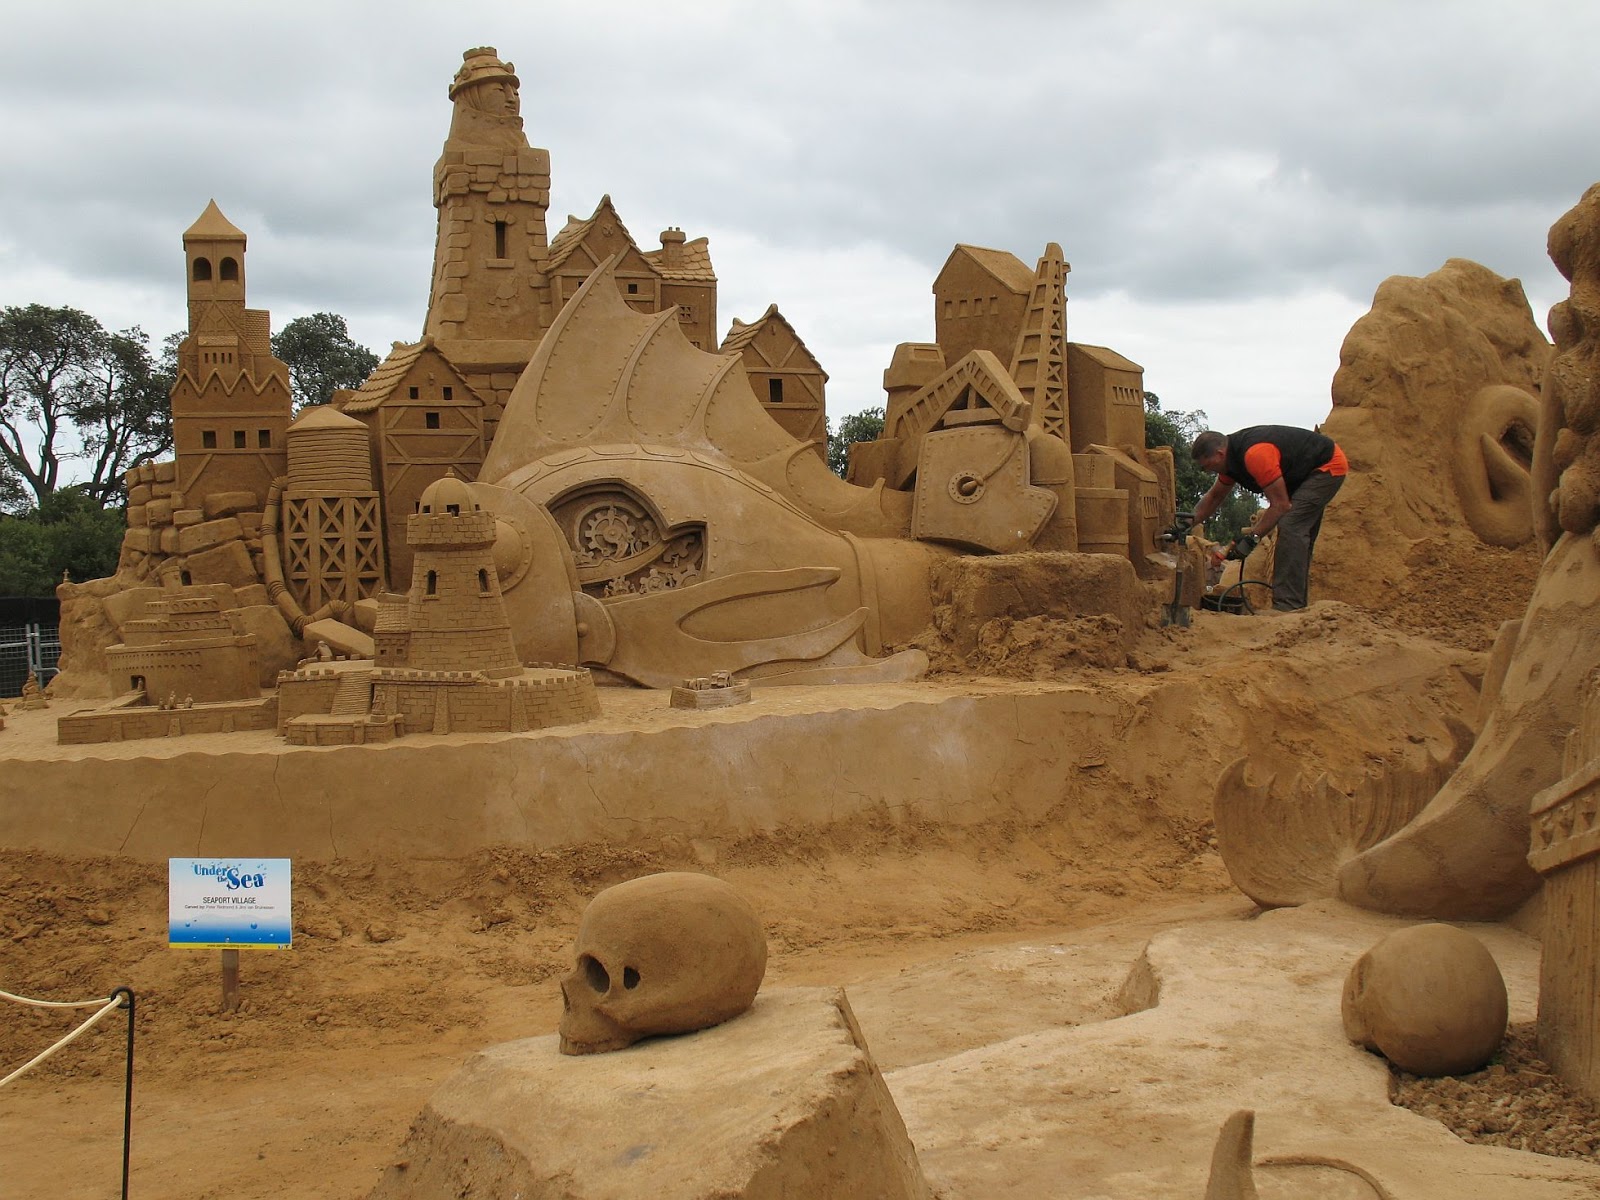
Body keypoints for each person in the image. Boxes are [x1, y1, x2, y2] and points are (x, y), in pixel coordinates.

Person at [1187, 425, 1348, 612]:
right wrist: (1186, 522)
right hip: (1303, 473)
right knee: (1297, 531)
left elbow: (1281, 505)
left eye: (1209, 466)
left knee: (1291, 525)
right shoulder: (1230, 461)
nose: (1209, 472)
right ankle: (1296, 606)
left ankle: (1287, 606)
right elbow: (1215, 496)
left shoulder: (1255, 455)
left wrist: (1251, 540)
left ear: (1220, 453)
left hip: (1327, 467)